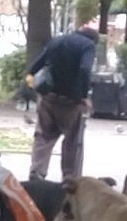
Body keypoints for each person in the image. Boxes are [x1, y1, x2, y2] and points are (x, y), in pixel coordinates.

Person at [27, 26, 99, 181]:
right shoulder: (88, 45)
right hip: (70, 102)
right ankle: (69, 179)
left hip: (48, 98)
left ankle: (37, 172)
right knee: (72, 141)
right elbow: (85, 69)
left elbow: (34, 68)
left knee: (44, 136)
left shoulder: (57, 41)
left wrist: (36, 88)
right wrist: (83, 97)